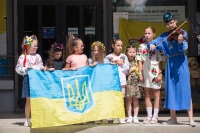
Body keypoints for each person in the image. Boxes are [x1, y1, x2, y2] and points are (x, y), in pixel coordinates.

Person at [148, 12, 196, 126]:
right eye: (168, 24)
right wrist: (151, 45)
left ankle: (191, 119)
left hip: (181, 62)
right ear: (166, 25)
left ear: (175, 21)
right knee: (171, 90)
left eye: (171, 22)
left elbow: (182, 49)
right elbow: (153, 42)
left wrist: (179, 42)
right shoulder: (165, 36)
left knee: (185, 89)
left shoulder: (182, 33)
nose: (170, 25)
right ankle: (173, 118)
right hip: (170, 63)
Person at [15, 35, 46, 127]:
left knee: (37, 99)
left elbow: (40, 65)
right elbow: (18, 69)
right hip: (27, 78)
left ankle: (37, 118)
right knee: (28, 100)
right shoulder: (22, 57)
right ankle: (27, 119)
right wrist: (26, 68)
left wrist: (42, 68)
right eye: (34, 46)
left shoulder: (38, 56)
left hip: (37, 79)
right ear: (27, 46)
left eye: (37, 46)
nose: (36, 48)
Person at [136, 26, 165, 124]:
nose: (147, 35)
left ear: (154, 34)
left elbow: (161, 61)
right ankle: (149, 115)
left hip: (155, 70)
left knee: (156, 94)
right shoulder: (141, 46)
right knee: (147, 93)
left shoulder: (158, 45)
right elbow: (140, 61)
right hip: (145, 70)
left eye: (149, 33)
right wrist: (140, 74)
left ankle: (155, 116)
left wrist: (160, 73)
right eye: (145, 33)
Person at [106, 37, 129, 124]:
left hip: (122, 81)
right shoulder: (108, 57)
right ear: (113, 46)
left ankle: (121, 116)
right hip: (112, 82)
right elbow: (107, 69)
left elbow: (127, 70)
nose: (120, 47)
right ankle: (114, 116)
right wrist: (115, 63)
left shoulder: (124, 56)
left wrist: (121, 64)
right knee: (113, 98)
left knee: (121, 98)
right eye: (118, 45)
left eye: (121, 46)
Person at [89, 41, 109, 124]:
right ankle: (97, 116)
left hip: (103, 84)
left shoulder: (106, 60)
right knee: (96, 100)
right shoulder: (89, 60)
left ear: (102, 51)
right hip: (94, 84)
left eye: (98, 50)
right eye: (94, 50)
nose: (96, 52)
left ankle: (104, 116)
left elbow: (108, 71)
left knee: (104, 100)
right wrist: (90, 66)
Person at [125, 45, 141, 124]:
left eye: (133, 52)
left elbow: (140, 72)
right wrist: (131, 69)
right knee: (128, 100)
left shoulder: (137, 61)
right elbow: (124, 73)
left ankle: (135, 116)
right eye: (130, 52)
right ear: (126, 53)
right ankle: (129, 116)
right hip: (128, 83)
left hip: (136, 83)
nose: (131, 54)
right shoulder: (125, 61)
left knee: (135, 99)